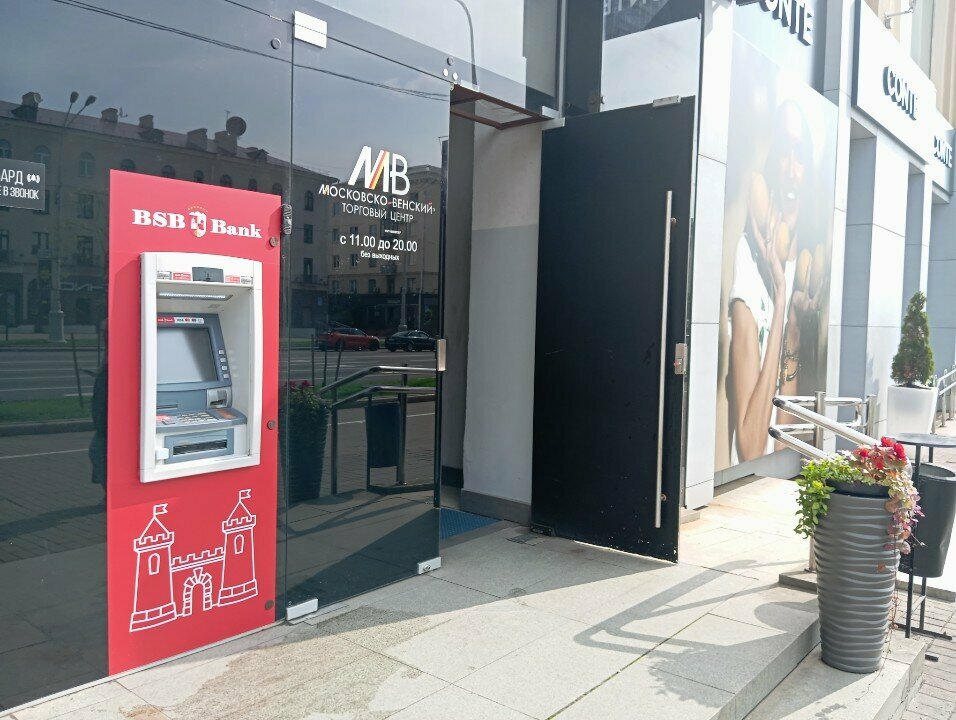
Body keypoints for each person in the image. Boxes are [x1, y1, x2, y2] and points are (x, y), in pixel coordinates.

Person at [727, 100, 821, 463]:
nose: (792, 170)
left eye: (801, 155)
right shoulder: (748, 274)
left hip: (770, 481)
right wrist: (780, 299)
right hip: (745, 481)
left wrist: (792, 326)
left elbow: (782, 447)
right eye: (784, 152)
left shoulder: (801, 268)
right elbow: (752, 450)